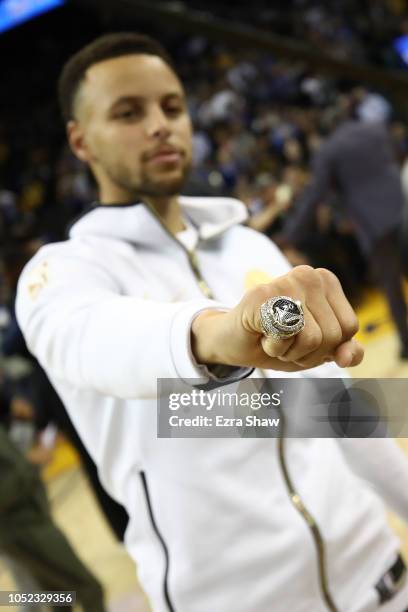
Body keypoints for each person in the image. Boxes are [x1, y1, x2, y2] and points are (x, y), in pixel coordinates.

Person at [15, 33, 408, 612]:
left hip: (376, 573)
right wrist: (216, 336)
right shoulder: (61, 274)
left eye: (172, 107)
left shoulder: (250, 247)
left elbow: (336, 411)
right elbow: (98, 340)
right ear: (80, 140)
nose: (160, 125)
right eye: (129, 112)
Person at [279, 116, 408, 359]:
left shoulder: (329, 150)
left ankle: (407, 343)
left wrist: (290, 235)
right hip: (403, 205)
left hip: (374, 222)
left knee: (391, 285)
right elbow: (398, 154)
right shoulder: (375, 127)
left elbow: (315, 196)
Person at [0, 424, 106, 612]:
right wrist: (29, 463)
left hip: (31, 519)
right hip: (22, 529)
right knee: (90, 589)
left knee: (60, 597)